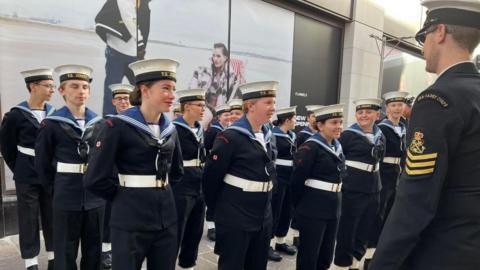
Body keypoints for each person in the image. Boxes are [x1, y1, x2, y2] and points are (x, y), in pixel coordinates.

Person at [370, 1, 480, 269]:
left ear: (440, 32)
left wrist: (382, 263)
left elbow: (416, 198)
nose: (423, 46)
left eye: (424, 36)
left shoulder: (437, 98)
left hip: (443, 250)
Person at [84, 59, 184, 270]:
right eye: (165, 88)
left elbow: (175, 173)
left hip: (166, 219)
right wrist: (124, 197)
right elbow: (95, 178)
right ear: (144, 90)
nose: (172, 95)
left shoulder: (171, 130)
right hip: (129, 221)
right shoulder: (116, 126)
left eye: (173, 89)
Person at [35, 65, 105, 270]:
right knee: (65, 251)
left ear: (90, 92)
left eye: (85, 87)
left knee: (94, 251)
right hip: (66, 195)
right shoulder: (51, 124)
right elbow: (42, 164)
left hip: (95, 198)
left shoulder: (100, 124)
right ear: (62, 91)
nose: (81, 91)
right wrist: (56, 189)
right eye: (74, 86)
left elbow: (105, 161)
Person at [203, 81, 277, 270]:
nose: (273, 108)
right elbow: (211, 179)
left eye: (273, 102)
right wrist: (220, 213)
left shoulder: (267, 134)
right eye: (268, 102)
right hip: (236, 216)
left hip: (263, 216)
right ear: (250, 106)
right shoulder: (230, 137)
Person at [0, 68, 56, 270]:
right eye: (48, 86)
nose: (52, 90)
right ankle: (31, 262)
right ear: (33, 87)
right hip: (27, 174)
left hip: (49, 174)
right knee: (28, 219)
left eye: (52, 86)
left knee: (52, 215)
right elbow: (6, 147)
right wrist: (20, 167)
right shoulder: (16, 115)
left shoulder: (54, 114)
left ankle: (53, 256)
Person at [332, 98, 386, 270]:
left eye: (368, 112)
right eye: (360, 112)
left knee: (365, 227)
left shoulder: (380, 135)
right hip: (352, 188)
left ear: (377, 115)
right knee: (348, 229)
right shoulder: (347, 135)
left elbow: (380, 159)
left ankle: (356, 262)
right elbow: (337, 160)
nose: (363, 115)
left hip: (374, 188)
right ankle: (341, 265)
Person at [292, 104, 346, 270]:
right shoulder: (311, 147)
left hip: (333, 206)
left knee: (326, 255)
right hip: (313, 208)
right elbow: (296, 181)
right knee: (309, 255)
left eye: (340, 122)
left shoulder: (336, 145)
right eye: (334, 122)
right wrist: (301, 208)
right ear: (320, 125)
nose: (338, 127)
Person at [364, 91, 408, 269]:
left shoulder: (403, 127)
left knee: (390, 216)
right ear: (387, 108)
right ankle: (369, 257)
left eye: (400, 105)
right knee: (377, 215)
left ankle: (382, 255)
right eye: (393, 105)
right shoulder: (382, 128)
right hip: (383, 174)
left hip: (397, 175)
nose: (397, 108)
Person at [95, 0, 151, 115]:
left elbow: (142, 24)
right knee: (113, 88)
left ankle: (139, 118)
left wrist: (140, 48)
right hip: (118, 49)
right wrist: (140, 44)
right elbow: (128, 18)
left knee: (141, 89)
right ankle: (109, 121)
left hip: (132, 52)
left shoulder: (143, 4)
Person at [171, 89, 207, 269]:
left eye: (204, 105)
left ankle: (188, 264)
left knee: (195, 231)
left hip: (198, 186)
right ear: (186, 107)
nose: (203, 109)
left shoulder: (200, 129)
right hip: (181, 186)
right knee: (175, 232)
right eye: (199, 105)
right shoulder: (174, 129)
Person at [100, 83, 134, 269]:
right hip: (112, 176)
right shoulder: (106, 123)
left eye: (126, 98)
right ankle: (106, 250)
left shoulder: (138, 123)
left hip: (132, 177)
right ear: (113, 101)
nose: (123, 102)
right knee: (108, 215)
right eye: (119, 98)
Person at [269, 106, 298, 262]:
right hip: (279, 176)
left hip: (290, 176)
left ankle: (280, 241)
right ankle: (269, 244)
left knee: (287, 210)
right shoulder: (275, 135)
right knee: (275, 210)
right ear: (286, 120)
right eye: (294, 118)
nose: (295, 121)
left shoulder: (291, 135)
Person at [291, 104, 322, 246]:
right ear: (309, 117)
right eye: (313, 116)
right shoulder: (303, 135)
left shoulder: (324, 137)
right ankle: (296, 234)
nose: (316, 119)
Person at [190, 43, 241, 126]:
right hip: (202, 106)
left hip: (219, 111)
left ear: (225, 58)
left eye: (218, 56)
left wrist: (241, 82)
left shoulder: (230, 76)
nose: (215, 59)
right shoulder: (202, 71)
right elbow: (192, 89)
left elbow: (235, 98)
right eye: (213, 56)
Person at [203, 103, 231, 241]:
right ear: (219, 117)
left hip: (223, 167)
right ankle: (210, 227)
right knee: (212, 196)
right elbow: (207, 148)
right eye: (225, 115)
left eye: (229, 115)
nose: (228, 117)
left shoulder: (227, 130)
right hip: (213, 166)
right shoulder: (214, 130)